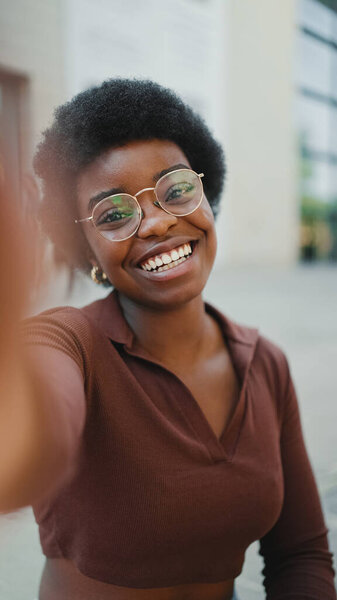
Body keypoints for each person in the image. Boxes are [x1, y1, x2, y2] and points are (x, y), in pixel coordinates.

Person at [1, 79, 336, 600]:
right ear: (85, 250)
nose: (157, 223)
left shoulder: (265, 363)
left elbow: (300, 555)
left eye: (176, 190)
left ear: (206, 195)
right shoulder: (68, 343)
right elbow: (25, 447)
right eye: (114, 214)